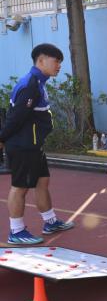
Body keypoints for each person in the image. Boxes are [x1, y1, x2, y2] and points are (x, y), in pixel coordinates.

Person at [0, 44, 74, 245]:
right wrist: (2, 139)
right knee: (20, 187)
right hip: (23, 145)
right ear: (41, 60)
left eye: (60, 62)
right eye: (56, 61)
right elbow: (15, 118)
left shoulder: (39, 82)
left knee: (42, 181)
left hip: (34, 144)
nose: (59, 65)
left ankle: (50, 222)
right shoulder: (30, 85)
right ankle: (16, 231)